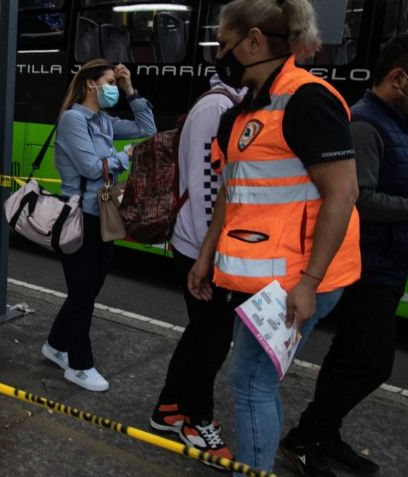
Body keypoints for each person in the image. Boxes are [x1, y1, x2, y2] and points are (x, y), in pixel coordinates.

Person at [187, 0, 361, 472]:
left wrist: (309, 282)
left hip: (297, 280)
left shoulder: (307, 100)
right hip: (264, 280)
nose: (218, 54)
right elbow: (231, 191)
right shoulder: (243, 112)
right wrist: (206, 259)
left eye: (224, 44)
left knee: (248, 381)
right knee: (255, 380)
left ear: (255, 41)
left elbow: (342, 193)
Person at [282, 34, 408, 477]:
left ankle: (326, 436)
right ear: (397, 78)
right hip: (367, 264)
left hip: (391, 258)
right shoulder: (366, 124)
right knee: (372, 363)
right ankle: (305, 436)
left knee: (347, 356)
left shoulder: (406, 122)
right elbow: (358, 198)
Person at [44, 59, 156, 392]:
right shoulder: (73, 120)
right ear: (91, 84)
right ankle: (79, 366)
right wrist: (126, 156)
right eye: (109, 82)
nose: (112, 88)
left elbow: (147, 130)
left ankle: (55, 344)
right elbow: (93, 168)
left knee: (89, 288)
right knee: (82, 293)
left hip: (104, 213)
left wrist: (130, 89)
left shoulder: (104, 121)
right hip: (80, 215)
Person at [149, 74, 243, 465]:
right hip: (202, 248)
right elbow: (208, 189)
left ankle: (169, 408)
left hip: (206, 248)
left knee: (205, 332)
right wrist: (212, 256)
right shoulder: (216, 108)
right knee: (212, 339)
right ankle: (194, 418)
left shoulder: (226, 104)